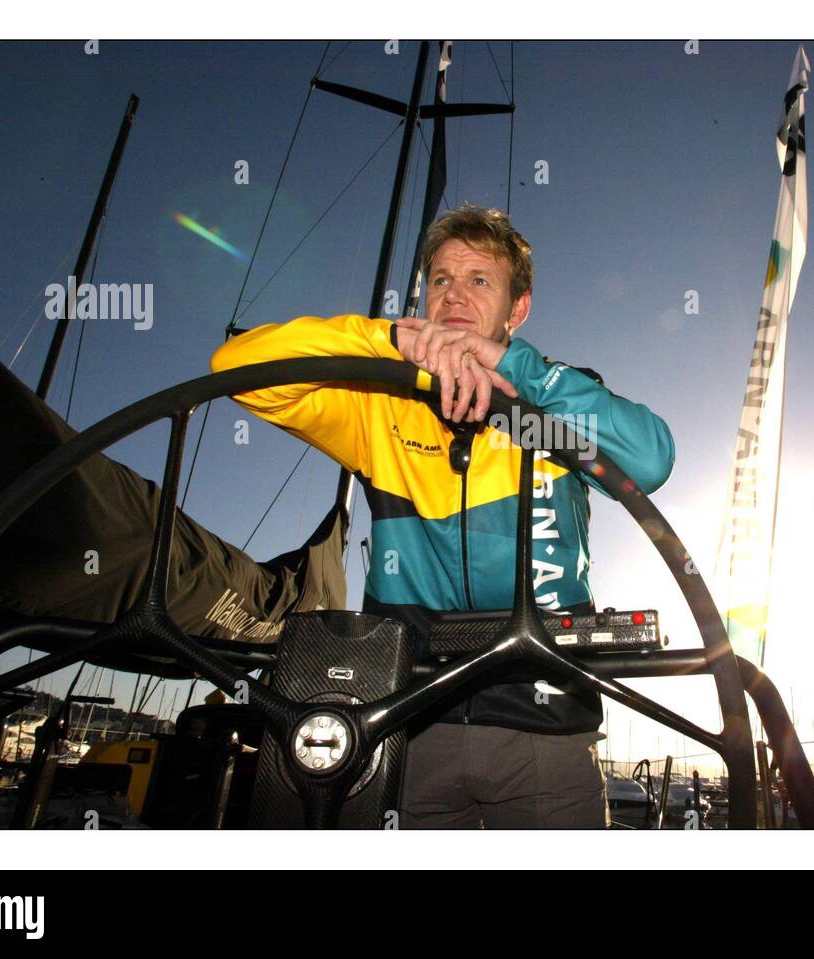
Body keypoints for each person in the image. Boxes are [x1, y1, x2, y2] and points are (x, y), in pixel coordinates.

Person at [211, 204, 675, 827]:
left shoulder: (558, 397)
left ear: (517, 310)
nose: (454, 295)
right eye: (440, 281)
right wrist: (388, 341)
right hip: (405, 723)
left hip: (547, 725)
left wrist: (515, 369)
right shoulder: (378, 406)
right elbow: (237, 370)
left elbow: (649, 458)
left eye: (479, 280)